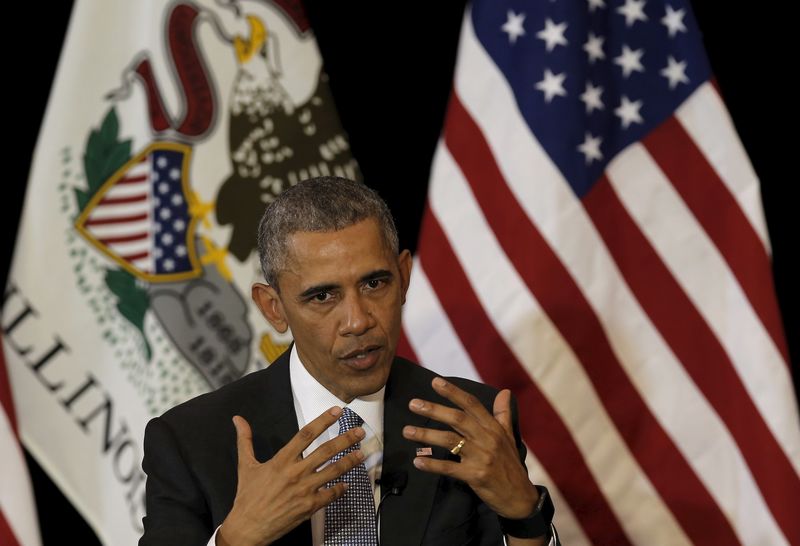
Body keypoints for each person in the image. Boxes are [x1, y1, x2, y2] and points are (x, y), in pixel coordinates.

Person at [139, 177, 558, 545]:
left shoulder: (468, 421)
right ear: (273, 308)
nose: (358, 321)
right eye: (323, 296)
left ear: (405, 277)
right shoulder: (190, 442)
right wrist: (235, 540)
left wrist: (523, 515)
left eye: (375, 283)